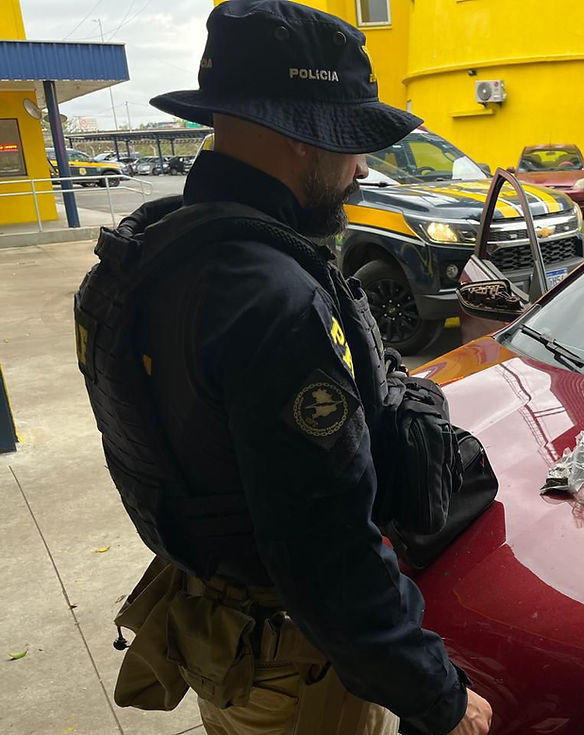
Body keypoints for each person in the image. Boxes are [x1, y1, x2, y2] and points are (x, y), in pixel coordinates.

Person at [73, 1, 492, 734]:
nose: (362, 166)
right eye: (353, 141)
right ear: (302, 137)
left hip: (219, 629)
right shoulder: (272, 300)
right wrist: (440, 698)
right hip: (291, 666)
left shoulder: (166, 247)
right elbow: (328, 557)